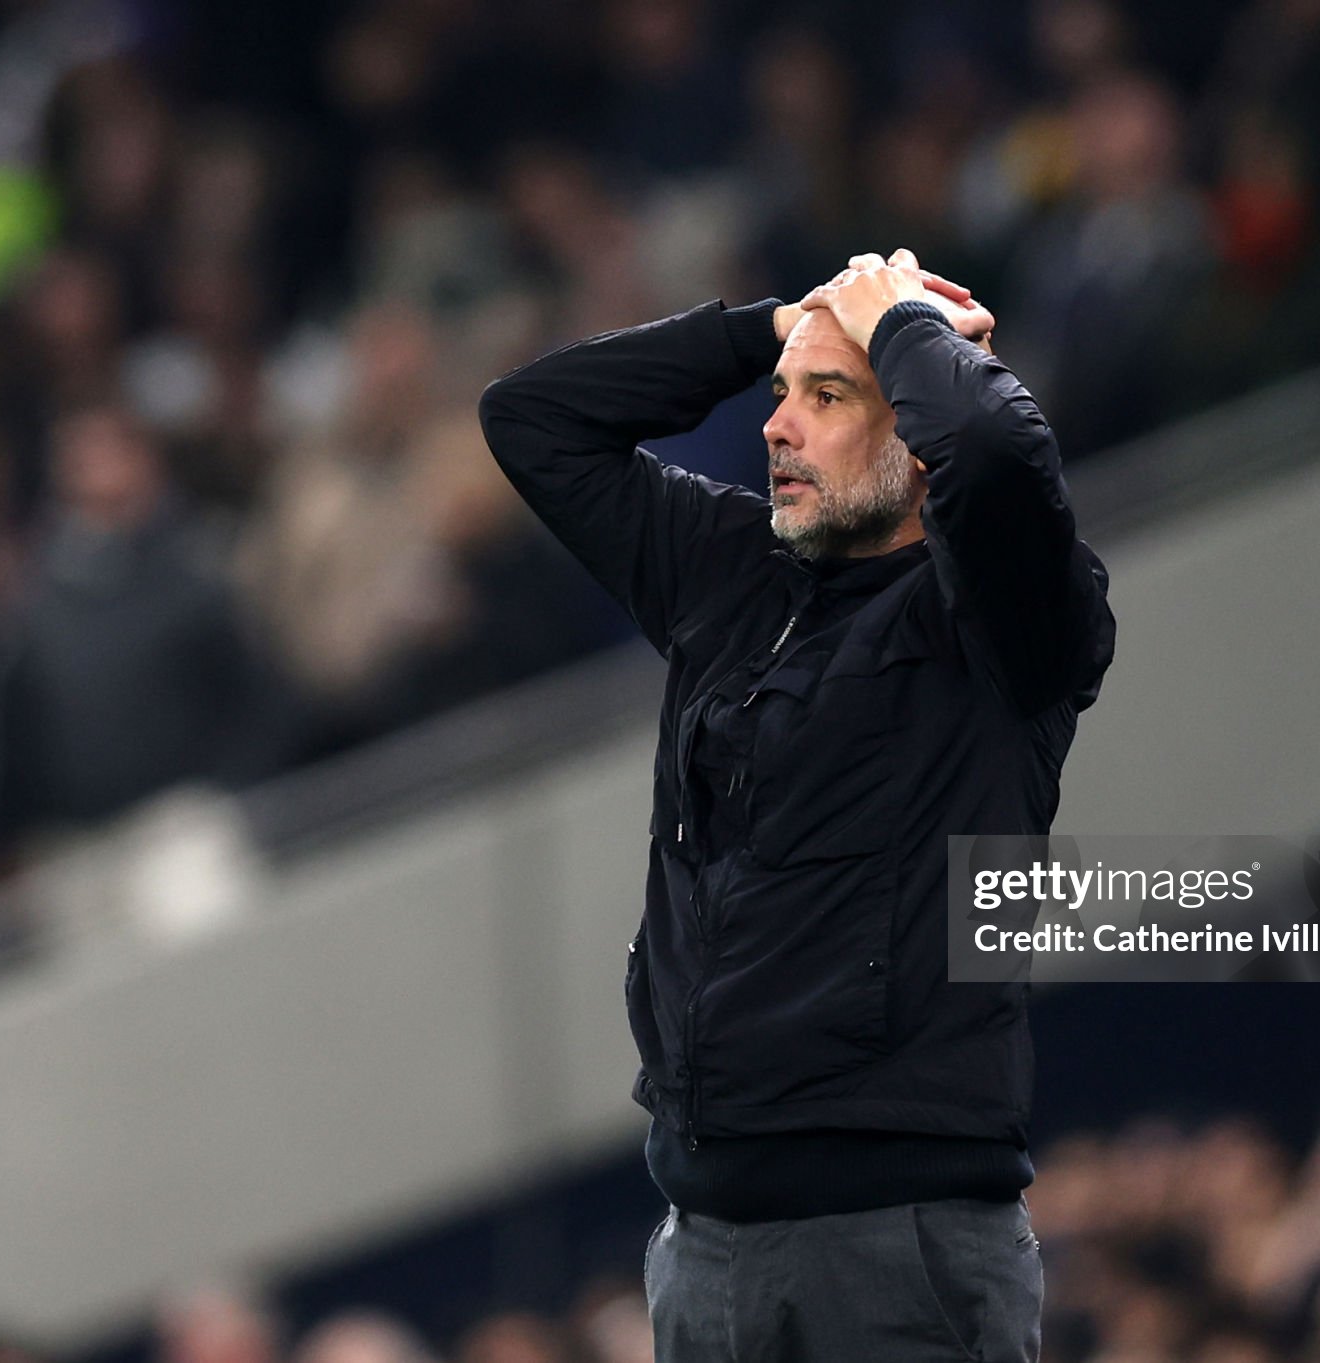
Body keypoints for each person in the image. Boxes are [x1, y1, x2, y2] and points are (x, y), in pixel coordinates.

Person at [478, 247, 1116, 1361]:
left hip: (898, 1243)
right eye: (782, 395)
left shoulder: (1001, 616)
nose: (776, 427)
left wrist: (903, 324)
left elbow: (996, 449)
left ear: (916, 438)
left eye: (826, 397)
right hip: (705, 1243)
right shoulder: (732, 571)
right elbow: (534, 419)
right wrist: (781, 324)